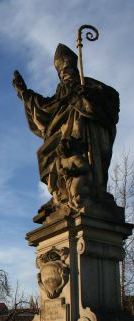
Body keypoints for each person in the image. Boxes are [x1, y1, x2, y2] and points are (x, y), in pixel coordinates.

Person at [12, 43, 119, 213]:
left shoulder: (88, 84)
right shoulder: (62, 90)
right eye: (61, 72)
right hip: (62, 130)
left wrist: (89, 96)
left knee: (75, 151)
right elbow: (46, 107)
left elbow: (111, 99)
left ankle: (86, 191)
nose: (64, 74)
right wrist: (25, 93)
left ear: (74, 68)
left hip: (82, 127)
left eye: (67, 69)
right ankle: (58, 195)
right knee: (44, 153)